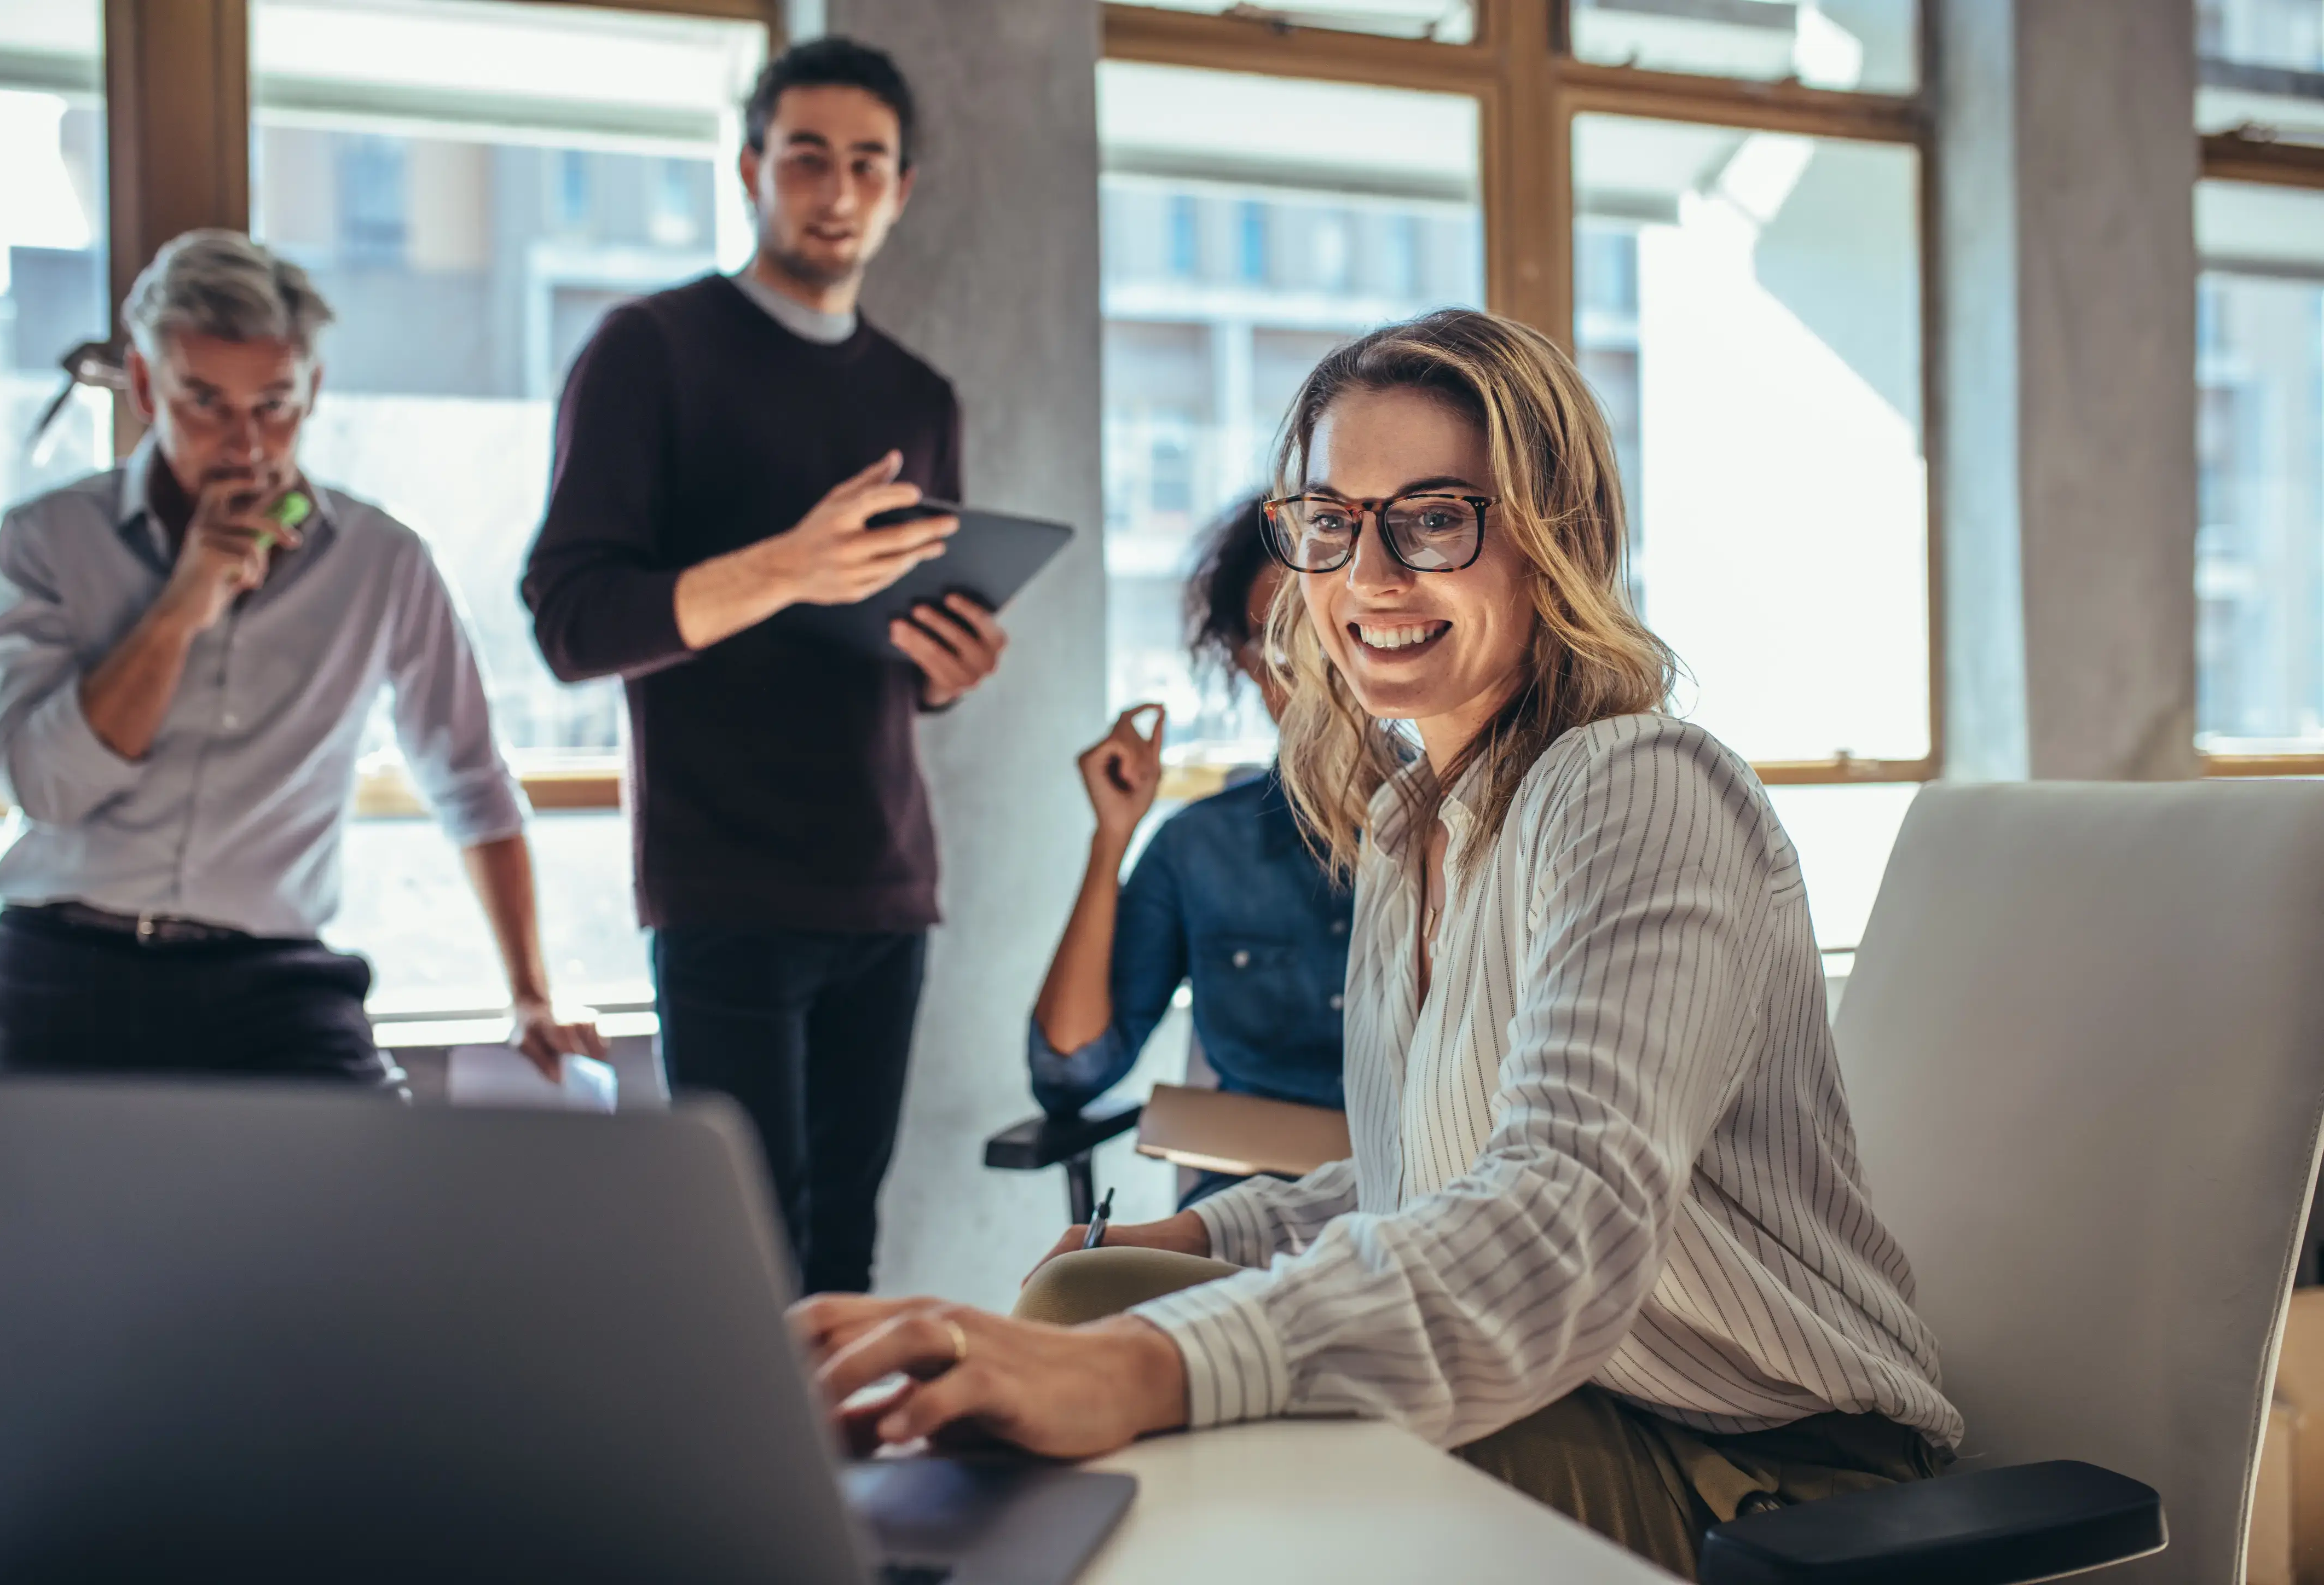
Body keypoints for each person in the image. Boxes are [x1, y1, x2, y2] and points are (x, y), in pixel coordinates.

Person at [791, 309, 1959, 1580]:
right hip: (1581, 1398)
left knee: (1192, 1435)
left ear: (1556, 537)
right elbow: (1425, 1172)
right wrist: (1202, 1240)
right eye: (1332, 522)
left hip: (1758, 1464)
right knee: (1085, 1294)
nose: (1369, 578)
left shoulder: (1644, 786)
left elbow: (1555, 1215)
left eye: (1435, 517)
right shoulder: (1409, 827)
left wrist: (1149, 1364)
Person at [521, 38, 1004, 1296]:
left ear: (902, 190)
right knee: (746, 1262)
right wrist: (785, 564)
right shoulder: (650, 349)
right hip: (722, 880)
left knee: (845, 1254)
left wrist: (948, 664)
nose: (836, 190)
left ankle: (843, 1501)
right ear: (749, 168)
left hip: (886, 879)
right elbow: (572, 619)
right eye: (806, 157)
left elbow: (895, 644)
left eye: (866, 165)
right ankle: (752, 1499)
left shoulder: (920, 391)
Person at [0, 229, 602, 1086]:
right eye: (206, 404)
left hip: (271, 976)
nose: (246, 445)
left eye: (275, 405)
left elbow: (470, 780)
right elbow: (46, 788)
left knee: (366, 1203)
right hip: (65, 959)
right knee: (75, 1221)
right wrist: (178, 610)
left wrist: (532, 995)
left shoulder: (384, 561)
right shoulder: (48, 539)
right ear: (148, 387)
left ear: (314, 389)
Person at [1027, 497, 1348, 1205]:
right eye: (1277, 644)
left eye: (1326, 634)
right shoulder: (1201, 847)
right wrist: (1111, 837)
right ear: (1243, 662)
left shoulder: (1467, 829)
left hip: (1421, 1215)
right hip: (1241, 1216)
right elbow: (1070, 1069)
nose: (1309, 671)